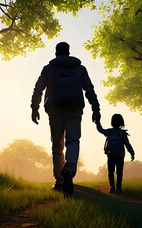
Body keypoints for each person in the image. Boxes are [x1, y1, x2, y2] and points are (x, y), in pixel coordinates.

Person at [31, 42, 101, 197]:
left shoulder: (48, 69)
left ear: (56, 53)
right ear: (69, 52)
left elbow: (39, 88)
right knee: (73, 141)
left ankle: (59, 181)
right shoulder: (80, 69)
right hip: (75, 109)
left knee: (57, 145)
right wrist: (96, 108)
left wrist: (34, 107)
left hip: (55, 109)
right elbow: (89, 89)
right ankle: (68, 169)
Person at [95, 114, 134, 193]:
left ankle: (112, 185)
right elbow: (127, 145)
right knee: (119, 171)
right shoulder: (123, 134)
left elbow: (100, 129)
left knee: (111, 171)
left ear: (112, 122)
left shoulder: (109, 132)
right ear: (121, 122)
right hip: (120, 155)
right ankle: (119, 186)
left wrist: (97, 121)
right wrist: (132, 153)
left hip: (111, 154)